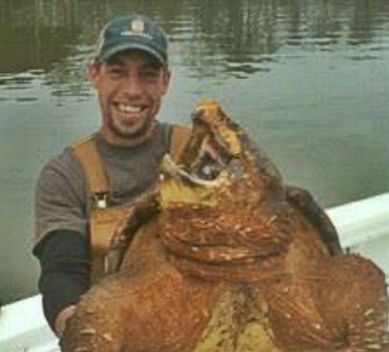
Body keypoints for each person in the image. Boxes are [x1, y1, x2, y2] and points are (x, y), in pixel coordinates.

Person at [32, 14, 191, 337]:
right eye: (117, 72)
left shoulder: (197, 153)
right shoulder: (65, 175)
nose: (132, 90)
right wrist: (80, 334)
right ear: (95, 75)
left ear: (165, 82)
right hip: (113, 334)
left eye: (148, 75)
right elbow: (61, 272)